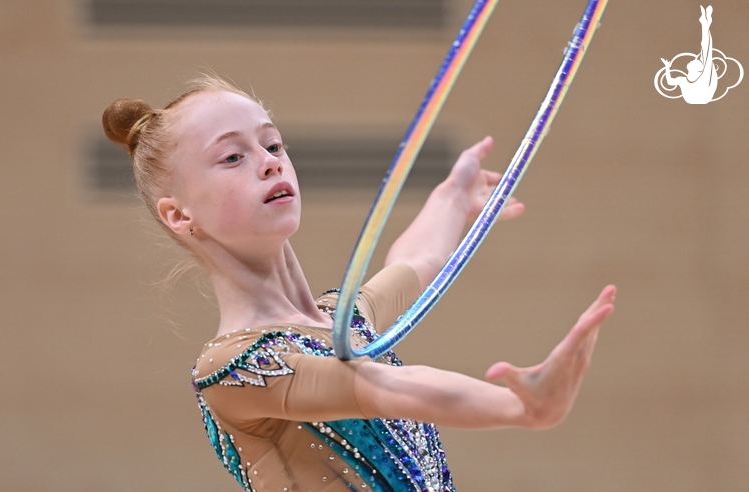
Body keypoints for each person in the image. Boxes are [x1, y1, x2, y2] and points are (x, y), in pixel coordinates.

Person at [103, 75, 616, 491]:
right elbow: (384, 385)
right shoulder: (234, 368)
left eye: (272, 142)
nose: (269, 162)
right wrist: (520, 408)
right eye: (233, 157)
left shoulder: (341, 321)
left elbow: (416, 261)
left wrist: (453, 199)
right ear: (179, 215)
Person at [661, 5, 717, 104]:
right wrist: (667, 67)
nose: (693, 59)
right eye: (697, 61)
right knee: (706, 52)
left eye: (695, 61)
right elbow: (669, 82)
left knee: (706, 51)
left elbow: (670, 82)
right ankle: (705, 23)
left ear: (697, 69)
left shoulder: (686, 80)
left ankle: (705, 23)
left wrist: (667, 67)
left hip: (699, 97)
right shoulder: (690, 79)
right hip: (700, 97)